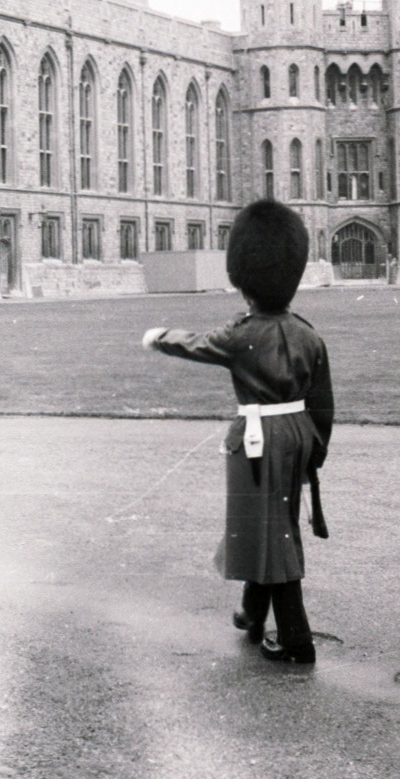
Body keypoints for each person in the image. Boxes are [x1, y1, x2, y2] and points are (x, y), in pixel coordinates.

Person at [142, 199, 333, 664]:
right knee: (268, 527)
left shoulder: (243, 333)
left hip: (256, 441)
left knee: (271, 533)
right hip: (298, 435)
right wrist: (315, 454)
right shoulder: (310, 335)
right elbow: (323, 404)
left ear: (245, 280)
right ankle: (252, 612)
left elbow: (196, 344)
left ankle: (295, 638)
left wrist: (157, 336)